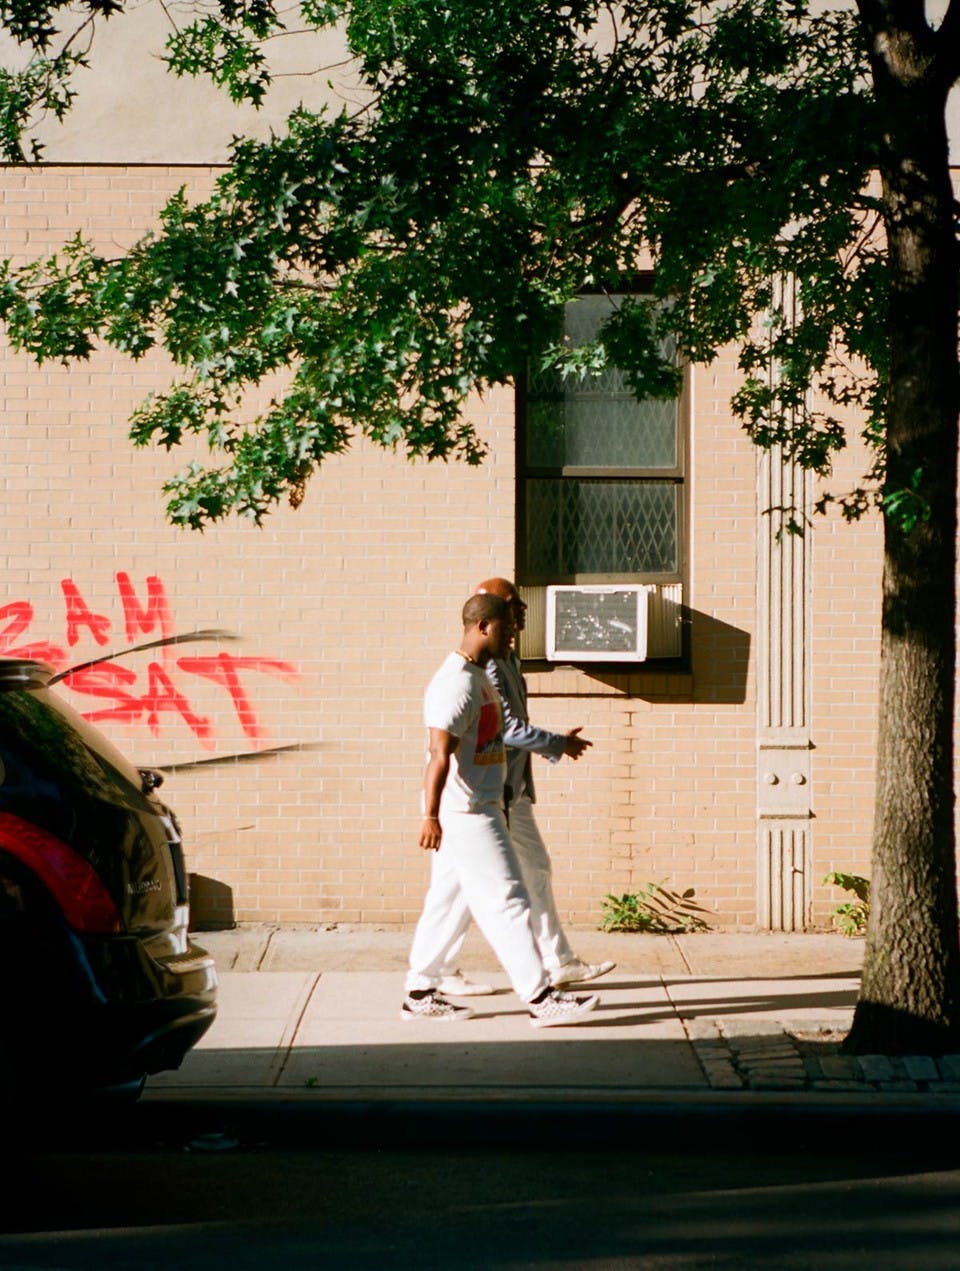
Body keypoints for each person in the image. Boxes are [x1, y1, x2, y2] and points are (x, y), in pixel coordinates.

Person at [403, 592, 600, 1028]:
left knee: (448, 902)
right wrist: (430, 816)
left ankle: (418, 991)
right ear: (483, 627)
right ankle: (541, 998)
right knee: (508, 899)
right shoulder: (456, 682)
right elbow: (438, 755)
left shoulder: (480, 676)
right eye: (508, 629)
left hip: (483, 804)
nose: (514, 636)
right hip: (470, 810)